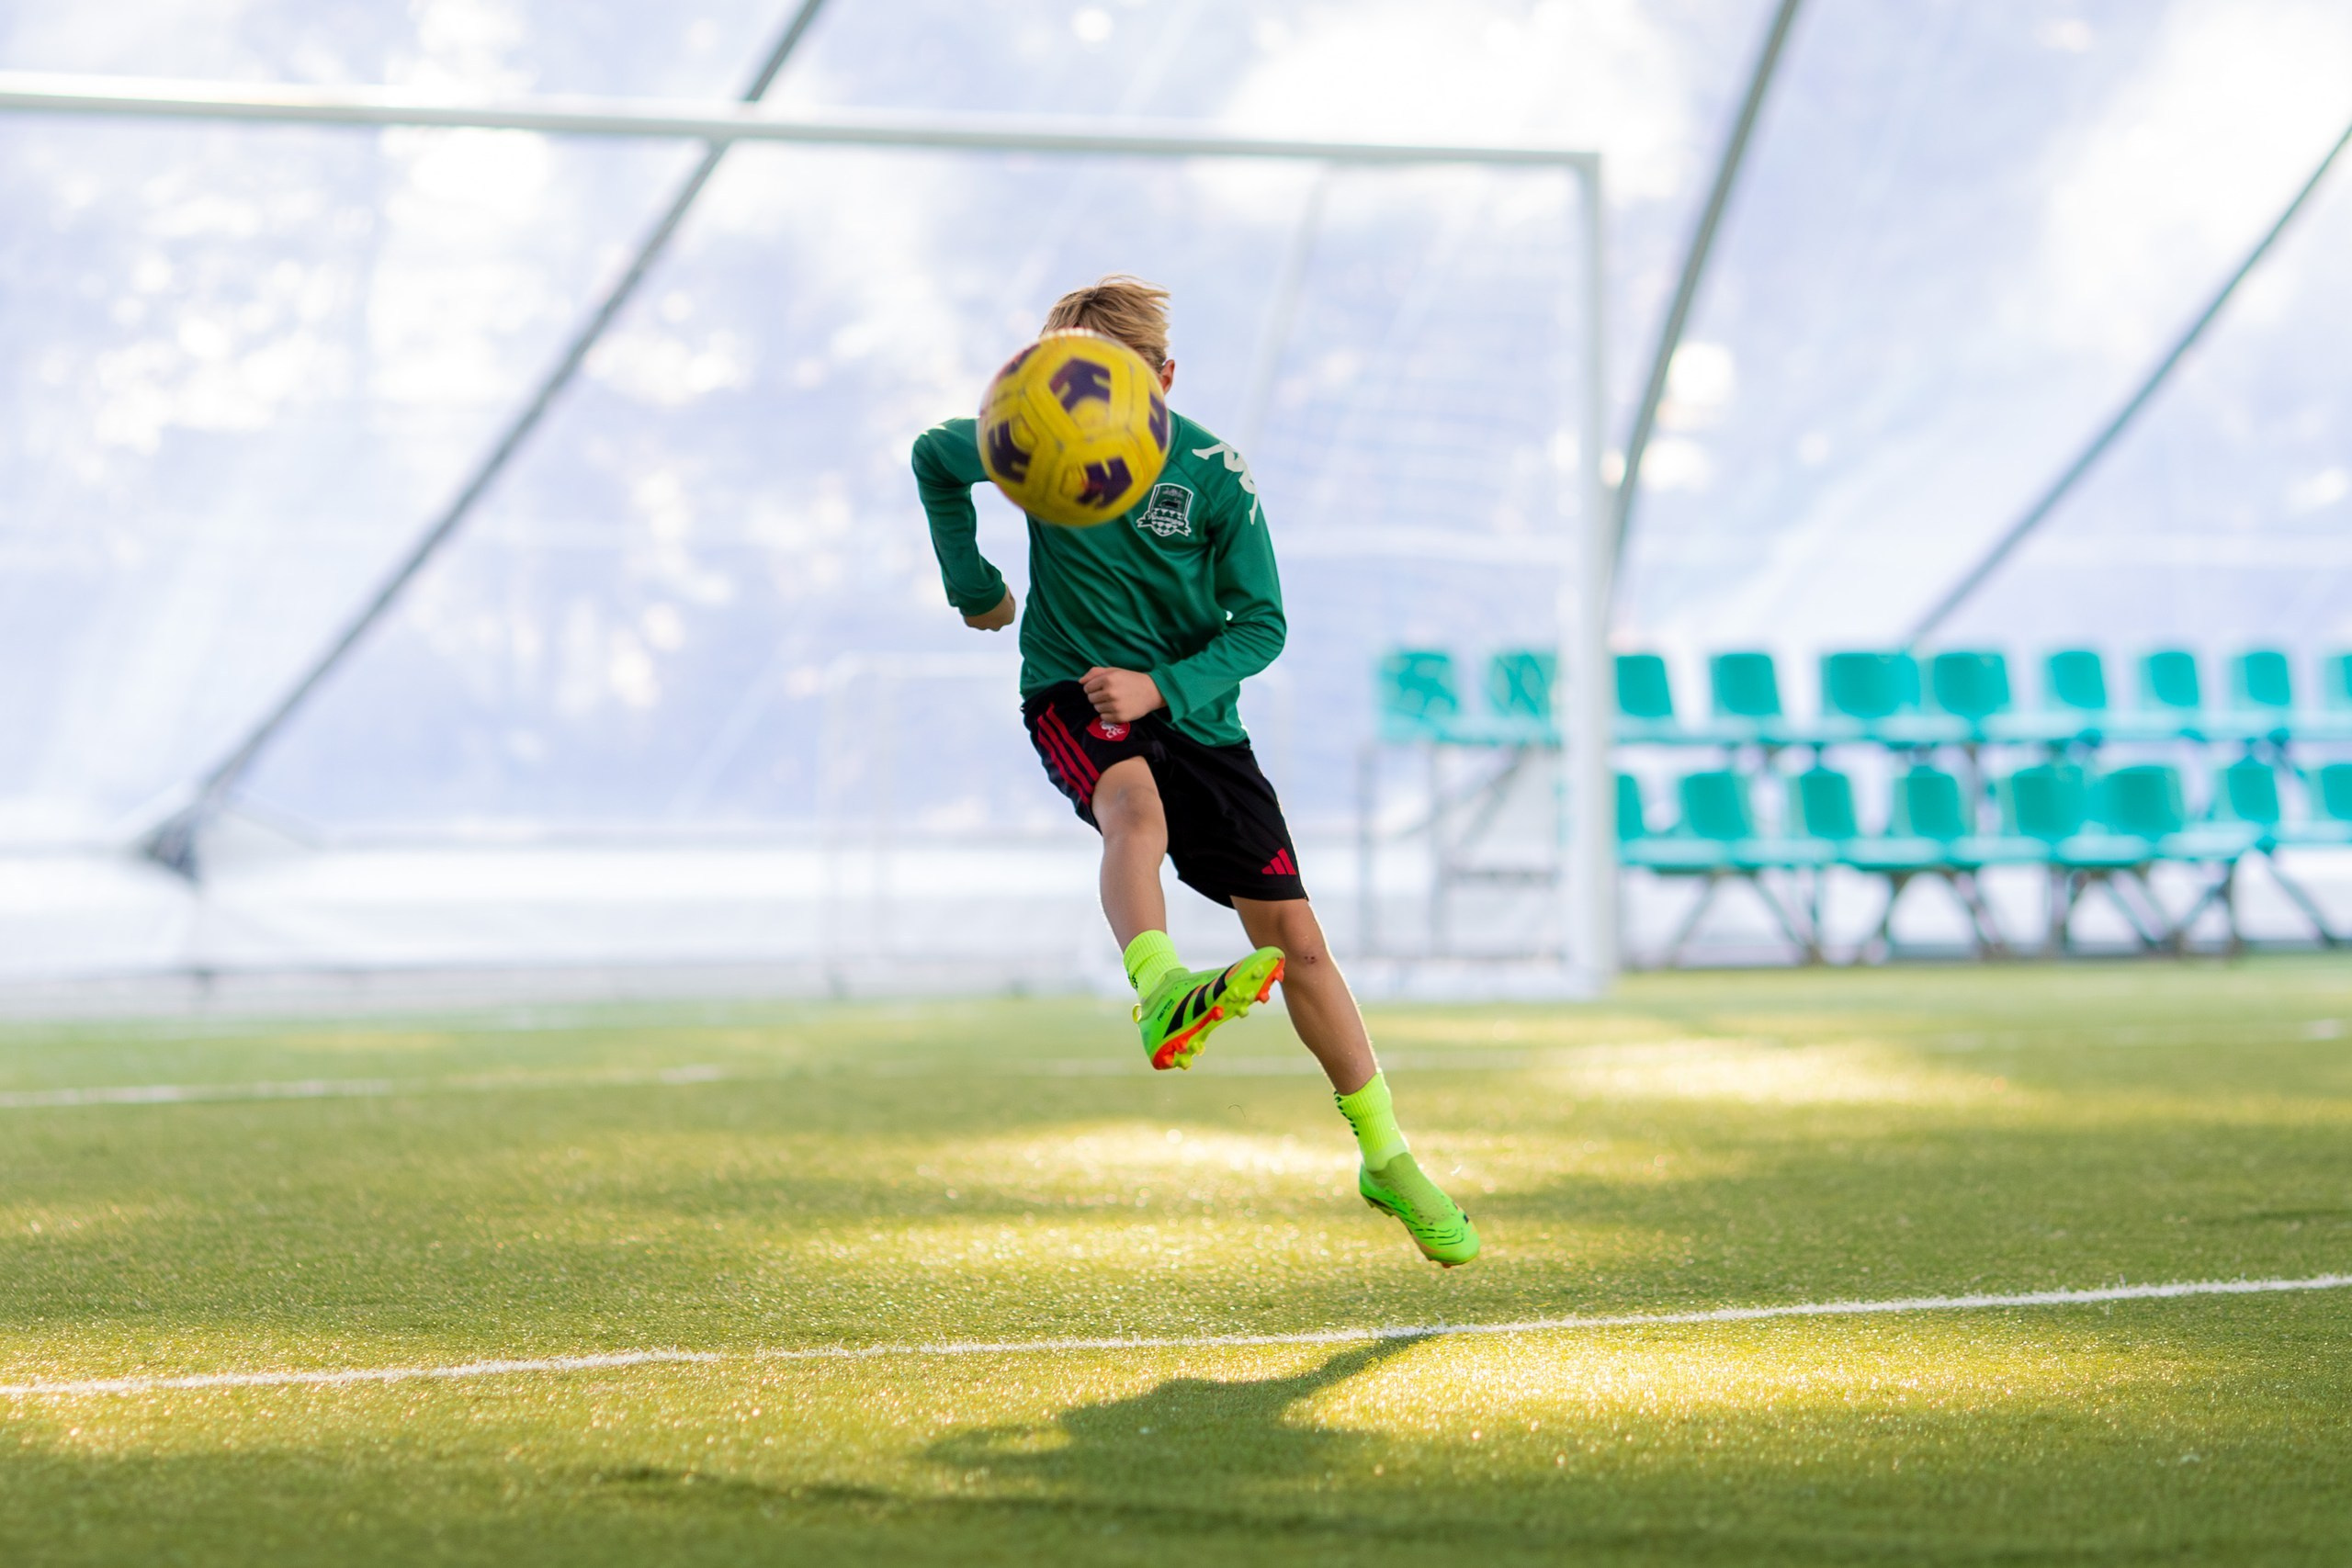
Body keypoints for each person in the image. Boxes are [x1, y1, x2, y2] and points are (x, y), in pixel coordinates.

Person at [910, 276, 1477, 1268]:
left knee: (1299, 942)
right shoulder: (1030, 435)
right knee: (1133, 809)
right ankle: (1161, 988)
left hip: (1193, 713)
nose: (1078, 413)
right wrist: (976, 588)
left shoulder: (1215, 476)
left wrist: (1165, 686)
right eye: (1062, 383)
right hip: (1070, 687)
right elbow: (933, 457)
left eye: (1110, 388)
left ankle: (1384, 1154)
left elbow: (1262, 623)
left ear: (1163, 380)